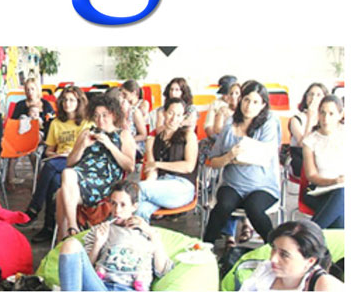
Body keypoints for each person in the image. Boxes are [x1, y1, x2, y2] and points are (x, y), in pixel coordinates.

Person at [58, 180, 173, 291]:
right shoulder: (100, 230)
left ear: (134, 206)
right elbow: (84, 268)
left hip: (130, 290)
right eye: (113, 204)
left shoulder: (147, 233)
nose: (117, 210)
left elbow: (162, 270)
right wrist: (98, 244)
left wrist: (152, 234)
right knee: (70, 244)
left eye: (123, 205)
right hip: (100, 287)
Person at [203, 80, 281, 245]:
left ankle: (275, 247)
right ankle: (205, 247)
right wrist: (229, 156)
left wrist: (235, 159)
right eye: (246, 100)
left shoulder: (268, 125)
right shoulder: (229, 125)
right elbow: (214, 161)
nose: (249, 106)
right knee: (223, 206)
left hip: (262, 187)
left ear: (263, 105)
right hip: (232, 185)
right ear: (241, 100)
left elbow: (263, 157)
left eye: (255, 102)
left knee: (254, 208)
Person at [55, 94, 136, 240]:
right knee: (65, 180)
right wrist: (83, 146)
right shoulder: (87, 133)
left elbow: (130, 166)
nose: (100, 120)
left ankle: (68, 233)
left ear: (113, 115)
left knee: (64, 185)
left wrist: (109, 145)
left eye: (105, 115)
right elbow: (70, 162)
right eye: (96, 115)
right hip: (81, 176)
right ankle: (70, 231)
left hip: (105, 180)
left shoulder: (123, 135)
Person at [23, 86, 91, 242]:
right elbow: (48, 151)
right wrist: (57, 154)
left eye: (72, 100)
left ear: (79, 102)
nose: (67, 103)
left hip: (78, 162)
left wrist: (72, 152)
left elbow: (88, 151)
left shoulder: (87, 123)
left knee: (49, 167)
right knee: (54, 181)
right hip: (59, 160)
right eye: (65, 100)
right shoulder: (56, 123)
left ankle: (35, 207)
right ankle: (49, 227)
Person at [136, 98, 198, 221]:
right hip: (160, 186)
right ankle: (136, 233)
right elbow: (151, 172)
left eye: (179, 115)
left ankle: (110, 223)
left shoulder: (189, 136)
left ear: (183, 117)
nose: (174, 119)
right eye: (170, 113)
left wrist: (157, 164)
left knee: (136, 190)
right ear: (164, 113)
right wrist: (149, 151)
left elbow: (188, 167)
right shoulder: (154, 140)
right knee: (139, 209)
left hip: (182, 186)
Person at [240, 220, 343, 291]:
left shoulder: (325, 286)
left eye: (284, 255)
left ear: (310, 261)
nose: (273, 259)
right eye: (273, 249)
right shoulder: (265, 270)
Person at [302, 95, 344, 228]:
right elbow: (311, 175)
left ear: (340, 115)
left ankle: (305, 235)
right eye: (322, 113)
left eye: (331, 114)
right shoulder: (310, 141)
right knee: (342, 197)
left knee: (341, 205)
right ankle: (307, 235)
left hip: (342, 190)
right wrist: (334, 181)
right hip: (318, 190)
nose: (326, 118)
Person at [8, 78, 55, 186]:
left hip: (40, 137)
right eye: (27, 89)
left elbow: (50, 125)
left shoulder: (46, 105)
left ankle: (36, 178)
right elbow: (13, 124)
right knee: (19, 149)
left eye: (32, 89)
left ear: (38, 90)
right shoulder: (20, 105)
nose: (30, 92)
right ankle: (11, 178)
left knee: (31, 148)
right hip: (21, 136)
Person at [289, 83, 328, 178]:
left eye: (318, 95)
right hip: (302, 160)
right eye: (311, 94)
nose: (314, 98)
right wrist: (310, 118)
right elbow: (302, 144)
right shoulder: (296, 119)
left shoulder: (327, 118)